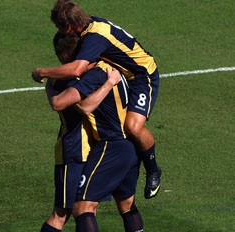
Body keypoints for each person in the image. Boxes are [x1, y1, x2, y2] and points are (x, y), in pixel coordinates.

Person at [32, 0, 162, 201]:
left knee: (133, 127)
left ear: (68, 25)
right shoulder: (90, 25)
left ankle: (153, 169)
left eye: (59, 27)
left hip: (142, 76)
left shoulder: (94, 37)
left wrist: (43, 72)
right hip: (125, 74)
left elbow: (76, 68)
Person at [29, 33, 130, 232]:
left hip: (91, 151)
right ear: (68, 56)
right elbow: (80, 106)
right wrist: (107, 83)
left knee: (85, 209)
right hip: (72, 153)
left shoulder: (74, 76)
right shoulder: (62, 81)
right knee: (62, 212)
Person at [48, 35, 147, 232]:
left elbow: (82, 107)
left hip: (111, 147)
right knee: (127, 205)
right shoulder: (121, 70)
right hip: (130, 147)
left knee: (82, 206)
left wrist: (47, 76)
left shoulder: (96, 74)